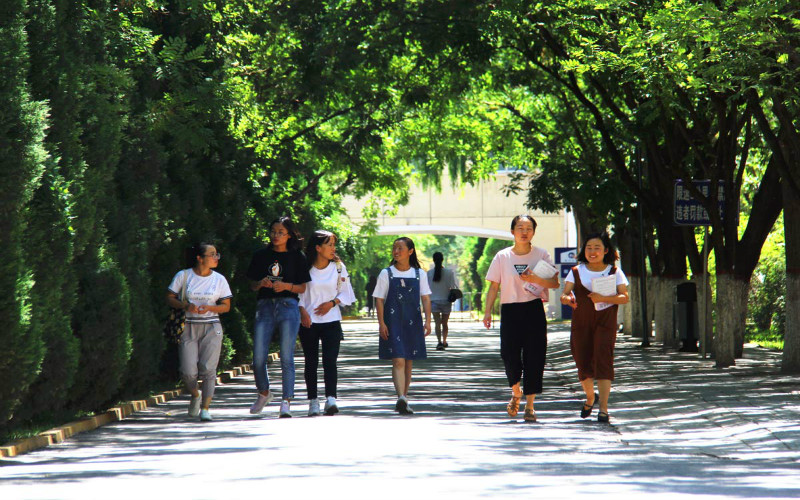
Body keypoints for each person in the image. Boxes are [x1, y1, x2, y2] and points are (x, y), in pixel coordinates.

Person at [483, 215, 559, 422]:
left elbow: (554, 283)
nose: (524, 232)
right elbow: (494, 286)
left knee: (535, 356)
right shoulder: (502, 256)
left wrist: (534, 278)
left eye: (528, 228)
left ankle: (530, 405)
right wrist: (488, 311)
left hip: (533, 309)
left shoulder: (541, 254)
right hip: (510, 310)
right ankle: (516, 391)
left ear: (533, 232)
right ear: (512, 232)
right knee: (509, 354)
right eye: (520, 228)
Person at [560, 232, 629, 424]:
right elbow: (564, 295)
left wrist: (604, 298)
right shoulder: (576, 271)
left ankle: (604, 409)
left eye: (597, 247)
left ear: (605, 251)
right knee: (582, 362)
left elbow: (625, 297)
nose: (592, 251)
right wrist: (568, 300)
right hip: (581, 323)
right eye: (589, 248)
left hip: (605, 323)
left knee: (603, 362)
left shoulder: (614, 272)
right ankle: (590, 397)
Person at [246, 216, 311, 418]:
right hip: (264, 306)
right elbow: (251, 284)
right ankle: (264, 392)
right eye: (273, 231)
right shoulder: (260, 255)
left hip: (288, 306)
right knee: (258, 358)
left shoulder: (297, 256)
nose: (276, 235)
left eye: (281, 232)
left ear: (289, 235)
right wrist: (261, 284)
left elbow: (302, 287)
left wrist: (285, 286)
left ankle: (286, 401)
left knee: (287, 356)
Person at [166, 243, 232, 422]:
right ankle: (195, 394)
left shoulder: (219, 279)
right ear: (200, 258)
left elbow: (226, 306)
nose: (216, 257)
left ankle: (205, 408)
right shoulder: (184, 275)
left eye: (217, 254)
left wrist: (210, 307)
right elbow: (170, 298)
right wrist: (186, 305)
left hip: (212, 326)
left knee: (209, 369)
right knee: (188, 372)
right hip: (188, 325)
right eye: (212, 254)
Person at [298, 230, 356, 416]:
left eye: (333, 244)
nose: (333, 248)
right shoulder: (304, 268)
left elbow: (346, 293)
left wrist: (331, 304)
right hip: (308, 322)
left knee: (330, 361)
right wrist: (302, 311)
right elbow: (297, 293)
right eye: (329, 244)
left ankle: (331, 398)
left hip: (331, 321)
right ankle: (313, 400)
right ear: (318, 247)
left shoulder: (338, 267)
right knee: (311, 362)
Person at [373, 237, 432, 414]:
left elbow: (426, 298)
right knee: (398, 359)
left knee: (408, 361)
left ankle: (404, 398)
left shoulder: (419, 274)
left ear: (410, 251)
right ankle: (400, 397)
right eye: (394, 248)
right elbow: (379, 299)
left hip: (412, 322)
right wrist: (381, 322)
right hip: (393, 323)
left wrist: (428, 321)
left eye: (400, 248)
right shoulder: (386, 273)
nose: (396, 251)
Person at [427, 252, 458, 350]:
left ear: (433, 260)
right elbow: (452, 287)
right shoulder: (449, 272)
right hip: (446, 301)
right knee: (445, 323)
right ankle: (444, 341)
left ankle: (439, 342)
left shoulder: (429, 273)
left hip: (434, 301)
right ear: (442, 260)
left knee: (437, 323)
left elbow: (426, 288)